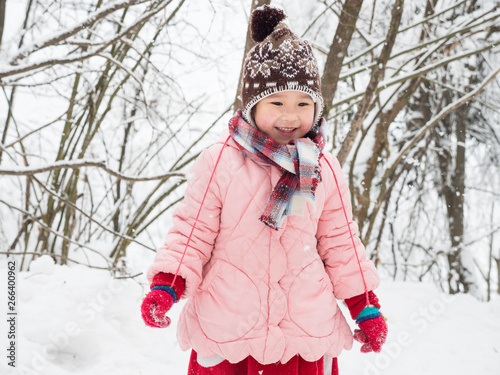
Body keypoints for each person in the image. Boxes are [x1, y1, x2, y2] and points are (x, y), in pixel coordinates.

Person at [141, 5, 387, 375]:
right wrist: (168, 284)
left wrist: (364, 306)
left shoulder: (323, 169)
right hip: (229, 329)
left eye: (303, 104)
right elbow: (193, 232)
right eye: (277, 103)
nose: (290, 116)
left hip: (302, 334)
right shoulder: (219, 162)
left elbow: (340, 243)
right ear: (253, 105)